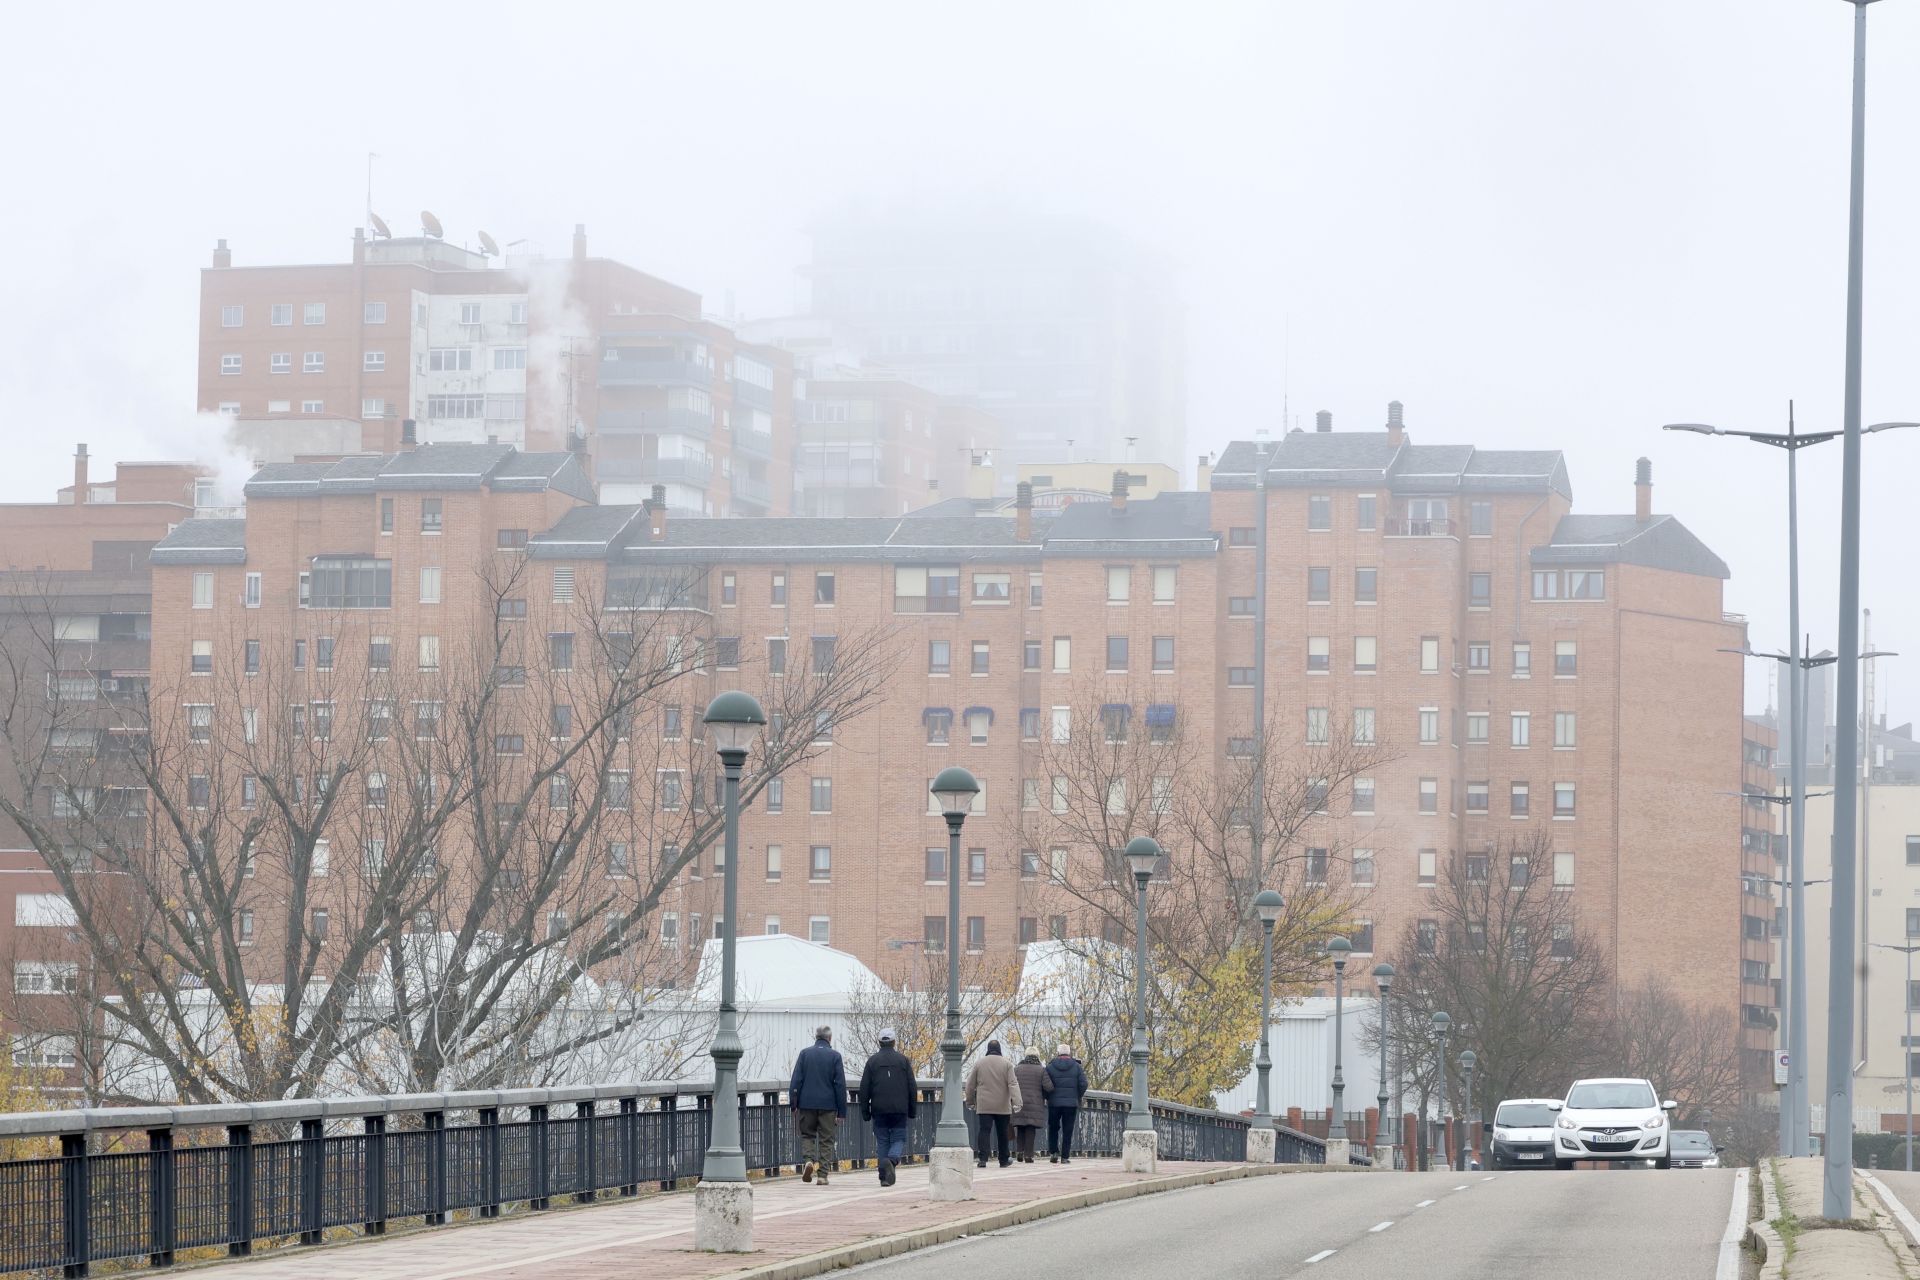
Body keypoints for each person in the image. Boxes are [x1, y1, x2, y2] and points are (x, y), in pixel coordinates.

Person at [858, 1028, 918, 1186]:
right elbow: (912, 1086)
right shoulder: (903, 1061)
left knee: (882, 1141)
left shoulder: (872, 1062)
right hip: (899, 1109)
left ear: (879, 1042)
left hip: (879, 1109)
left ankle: (884, 1176)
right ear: (894, 1042)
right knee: (898, 1138)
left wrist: (865, 1111)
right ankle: (891, 1160)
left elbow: (864, 1088)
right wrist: (912, 1109)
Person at [790, 1024, 846, 1185]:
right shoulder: (835, 1056)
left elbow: (796, 1080)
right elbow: (840, 1085)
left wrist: (794, 1104)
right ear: (830, 1038)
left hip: (806, 1103)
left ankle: (808, 1160)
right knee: (826, 1140)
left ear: (816, 1037)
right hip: (828, 1105)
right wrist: (841, 1112)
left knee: (807, 1135)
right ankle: (822, 1175)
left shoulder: (805, 1054)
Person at [964, 1040, 1022, 1168]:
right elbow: (1013, 1083)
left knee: (984, 1131)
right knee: (1002, 1132)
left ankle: (983, 1159)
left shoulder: (979, 1063)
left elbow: (970, 1085)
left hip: (985, 1105)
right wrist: (1017, 1102)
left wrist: (970, 1101)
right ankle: (1003, 1160)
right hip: (1002, 1105)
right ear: (1000, 1049)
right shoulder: (1007, 1064)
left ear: (988, 1049)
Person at [1045, 1043, 1088, 1164]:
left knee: (1053, 1128)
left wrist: (1048, 1097)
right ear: (1069, 1053)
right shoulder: (1077, 1067)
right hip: (1071, 1104)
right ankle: (1065, 1157)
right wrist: (1077, 1095)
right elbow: (1083, 1084)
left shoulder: (1050, 1066)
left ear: (1058, 1053)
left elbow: (1045, 1084)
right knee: (1067, 1130)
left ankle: (1053, 1153)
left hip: (1054, 1103)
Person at [1011, 1046, 1050, 1163]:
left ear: (1026, 1056)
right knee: (1030, 1129)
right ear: (1037, 1056)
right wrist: (1044, 1096)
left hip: (1019, 1103)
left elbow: (1011, 1084)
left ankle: (1019, 1152)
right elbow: (1048, 1087)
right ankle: (1028, 1155)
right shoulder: (1042, 1070)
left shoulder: (1016, 1069)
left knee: (1020, 1127)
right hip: (1034, 1103)